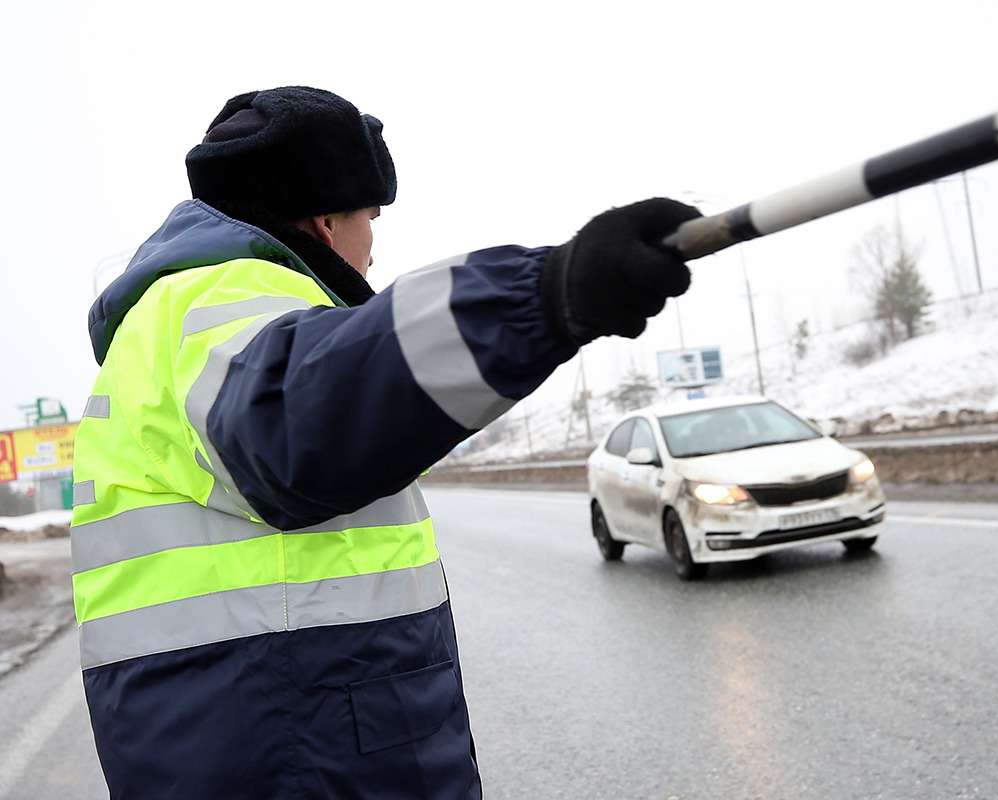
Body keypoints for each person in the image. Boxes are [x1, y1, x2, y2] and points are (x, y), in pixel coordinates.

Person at [70, 86, 700, 799]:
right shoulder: (213, 299)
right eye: (370, 216)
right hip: (298, 752)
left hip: (273, 734)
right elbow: (300, 412)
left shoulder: (180, 321)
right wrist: (543, 295)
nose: (375, 242)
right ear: (326, 219)